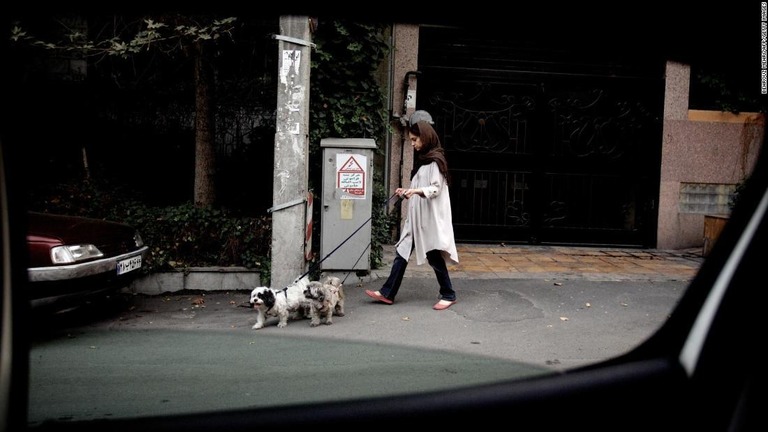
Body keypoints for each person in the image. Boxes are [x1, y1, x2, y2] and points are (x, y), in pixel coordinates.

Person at [365, 120, 459, 311]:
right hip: (417, 218)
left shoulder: (435, 161)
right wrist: (407, 190)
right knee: (402, 252)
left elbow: (435, 188)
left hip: (429, 219)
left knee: (433, 256)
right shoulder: (424, 161)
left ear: (425, 137)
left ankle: (449, 294)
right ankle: (388, 293)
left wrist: (414, 192)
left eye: (415, 140)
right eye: (411, 141)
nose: (413, 144)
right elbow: (422, 187)